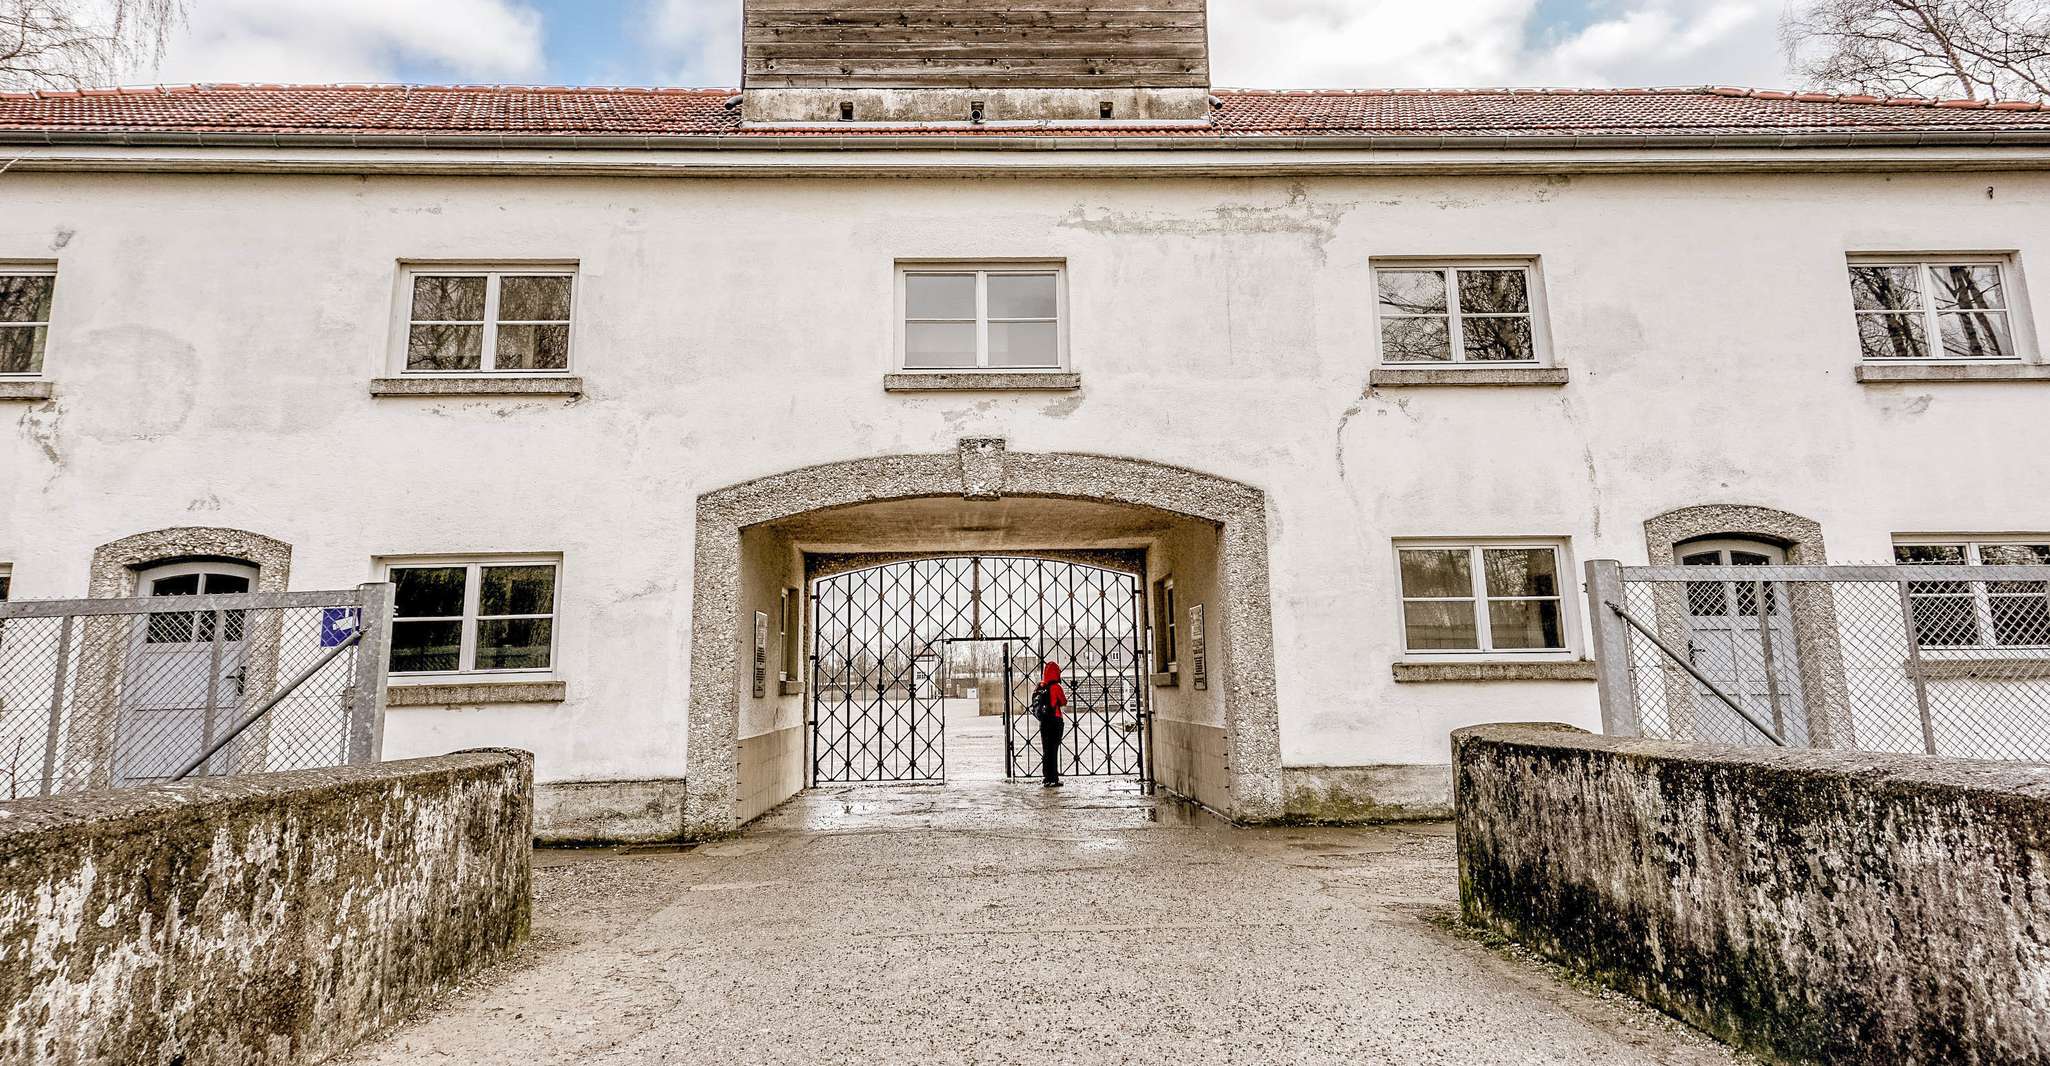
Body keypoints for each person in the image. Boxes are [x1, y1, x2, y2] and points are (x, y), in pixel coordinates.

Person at [1030, 661, 1068, 788]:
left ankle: (1046, 777)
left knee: (1046, 750)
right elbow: (1063, 701)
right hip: (1055, 720)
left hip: (1044, 722)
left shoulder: (1041, 686)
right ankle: (1054, 778)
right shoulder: (1056, 687)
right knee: (1054, 750)